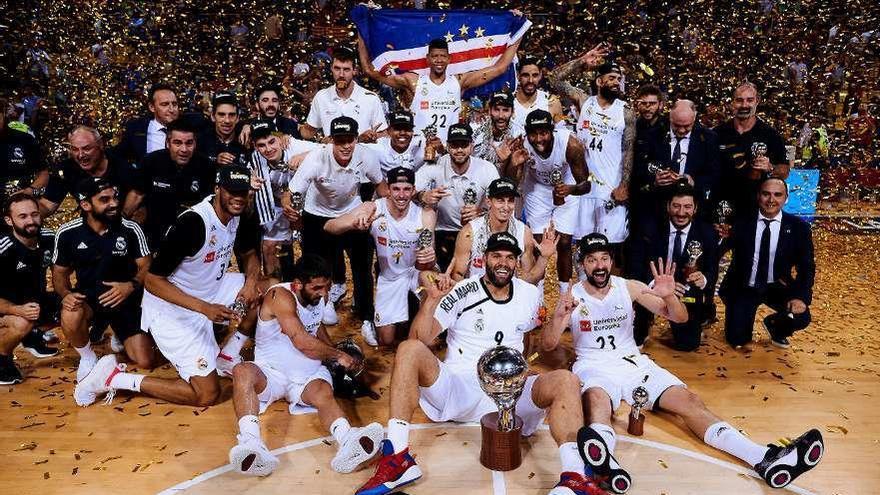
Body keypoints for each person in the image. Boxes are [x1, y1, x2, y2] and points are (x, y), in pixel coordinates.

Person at [544, 233, 824, 493]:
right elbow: (548, 344)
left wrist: (668, 296)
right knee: (597, 404)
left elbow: (678, 317)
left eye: (604, 258)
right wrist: (558, 317)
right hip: (593, 365)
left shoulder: (628, 287)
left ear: (611, 260)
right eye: (592, 260)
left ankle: (762, 457)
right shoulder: (573, 296)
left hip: (633, 363)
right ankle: (605, 465)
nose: (599, 265)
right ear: (582, 264)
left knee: (690, 402)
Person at [356, 233, 604, 495]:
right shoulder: (462, 290)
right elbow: (420, 339)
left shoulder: (530, 295)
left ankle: (574, 476)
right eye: (496, 255)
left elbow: (542, 345)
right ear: (484, 258)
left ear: (517, 262)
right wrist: (430, 301)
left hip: (510, 394)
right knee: (408, 349)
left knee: (567, 380)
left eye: (509, 257)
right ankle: (398, 458)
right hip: (461, 387)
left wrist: (558, 321)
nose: (503, 262)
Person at [72, 166, 264, 407]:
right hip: (173, 307)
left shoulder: (241, 213)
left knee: (270, 289)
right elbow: (152, 281)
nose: (238, 197)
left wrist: (250, 283)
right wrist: (204, 308)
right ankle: (115, 378)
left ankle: (227, 356)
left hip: (210, 290)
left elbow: (249, 254)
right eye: (231, 191)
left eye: (243, 192)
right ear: (217, 190)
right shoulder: (193, 224)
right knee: (207, 395)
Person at [228, 254, 384, 477]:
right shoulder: (280, 296)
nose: (323, 293)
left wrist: (337, 358)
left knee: (323, 391)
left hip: (307, 376)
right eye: (317, 288)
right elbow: (301, 340)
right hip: (271, 374)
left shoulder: (317, 297)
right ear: (298, 284)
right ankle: (252, 444)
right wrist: (338, 354)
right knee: (241, 371)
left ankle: (348, 440)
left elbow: (315, 325)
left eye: (327, 286)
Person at [52, 178, 156, 401]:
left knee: (145, 360)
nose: (114, 204)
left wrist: (130, 285)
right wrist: (65, 295)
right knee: (70, 311)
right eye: (105, 200)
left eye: (115, 197)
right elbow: (59, 275)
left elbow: (147, 265)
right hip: (89, 299)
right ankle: (87, 356)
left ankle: (119, 334)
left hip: (125, 300)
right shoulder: (67, 233)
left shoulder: (130, 228)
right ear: (86, 205)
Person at [283, 116, 388, 331]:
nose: (346, 145)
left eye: (350, 139)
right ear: (331, 140)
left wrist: (385, 210)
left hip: (352, 212)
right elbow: (290, 193)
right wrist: (289, 208)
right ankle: (321, 305)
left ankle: (366, 315)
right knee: (315, 266)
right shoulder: (316, 159)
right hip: (317, 214)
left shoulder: (366, 157)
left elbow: (382, 187)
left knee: (362, 265)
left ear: (356, 139)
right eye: (340, 140)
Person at [325, 167, 436, 347]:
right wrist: (354, 222)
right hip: (390, 277)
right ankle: (382, 321)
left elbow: (431, 262)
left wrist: (430, 256)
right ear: (388, 189)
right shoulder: (374, 208)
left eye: (407, 189)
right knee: (386, 340)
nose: (401, 195)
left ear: (413, 190)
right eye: (396, 189)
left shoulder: (426, 214)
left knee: (425, 341)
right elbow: (330, 226)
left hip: (416, 273)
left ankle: (419, 314)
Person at [357, 35, 522, 142]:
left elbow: (500, 68)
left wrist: (519, 30)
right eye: (435, 56)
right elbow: (370, 71)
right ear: (428, 59)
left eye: (443, 56)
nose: (439, 60)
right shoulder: (413, 81)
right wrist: (361, 30)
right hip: (416, 150)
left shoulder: (459, 82)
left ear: (449, 59)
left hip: (451, 151)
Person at [720, 178, 815, 349]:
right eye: (766, 194)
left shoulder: (799, 228)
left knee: (802, 316)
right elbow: (717, 252)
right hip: (744, 286)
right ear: (758, 196)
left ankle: (775, 327)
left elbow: (806, 266)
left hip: (777, 286)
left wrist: (801, 297)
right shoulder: (740, 222)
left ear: (786, 198)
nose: (771, 200)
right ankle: (738, 318)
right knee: (737, 339)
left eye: (777, 195)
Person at [508, 110, 590, 294]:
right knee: (539, 243)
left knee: (564, 242)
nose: (538, 139)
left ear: (552, 131)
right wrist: (514, 163)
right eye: (533, 134)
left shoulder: (571, 144)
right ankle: (537, 297)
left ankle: (565, 294)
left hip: (567, 185)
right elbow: (512, 182)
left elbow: (586, 185)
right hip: (537, 188)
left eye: (543, 133)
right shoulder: (522, 145)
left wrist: (570, 189)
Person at [628, 184, 718, 350]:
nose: (681, 212)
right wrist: (655, 285)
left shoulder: (707, 233)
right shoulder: (648, 228)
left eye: (687, 207)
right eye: (676, 206)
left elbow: (712, 271)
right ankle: (644, 321)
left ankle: (686, 323)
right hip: (652, 289)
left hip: (685, 294)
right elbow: (635, 266)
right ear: (668, 206)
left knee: (688, 345)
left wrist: (703, 279)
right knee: (634, 342)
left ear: (695, 208)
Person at [414, 123, 500, 271]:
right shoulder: (436, 165)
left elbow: (500, 203)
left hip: (476, 229)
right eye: (455, 145)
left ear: (472, 146)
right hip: (444, 230)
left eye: (464, 145)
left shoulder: (486, 169)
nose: (459, 150)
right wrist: (423, 195)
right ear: (447, 146)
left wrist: (481, 213)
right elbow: (408, 189)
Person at [123, 118, 217, 249]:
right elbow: (136, 195)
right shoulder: (151, 162)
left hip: (194, 236)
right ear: (167, 143)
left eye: (189, 143)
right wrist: (121, 224)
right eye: (177, 143)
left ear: (195, 143)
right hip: (156, 235)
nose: (184, 149)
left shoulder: (206, 166)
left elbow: (213, 204)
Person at [571, 62, 636, 248]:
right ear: (599, 81)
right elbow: (555, 79)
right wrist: (582, 62)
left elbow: (628, 150)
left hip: (611, 189)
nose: (617, 82)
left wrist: (624, 185)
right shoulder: (584, 101)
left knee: (611, 246)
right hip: (584, 188)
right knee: (583, 247)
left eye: (619, 79)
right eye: (612, 78)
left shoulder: (626, 111)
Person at [248, 120, 321, 280]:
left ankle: (314, 283)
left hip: (309, 202)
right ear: (255, 147)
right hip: (278, 205)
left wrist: (305, 156)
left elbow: (326, 149)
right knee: (268, 247)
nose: (268, 149)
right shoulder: (254, 162)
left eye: (272, 141)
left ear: (280, 139)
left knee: (312, 246)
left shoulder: (296, 146)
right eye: (262, 145)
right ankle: (274, 289)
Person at [451, 177, 556, 284]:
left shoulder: (523, 232)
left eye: (510, 201)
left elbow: (529, 281)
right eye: (500, 200)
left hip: (508, 296)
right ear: (488, 202)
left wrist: (543, 258)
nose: (506, 207)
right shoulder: (470, 232)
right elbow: (457, 274)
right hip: (477, 294)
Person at [631, 100, 720, 225]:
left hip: (693, 212)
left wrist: (693, 181)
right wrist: (654, 180)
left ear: (694, 118)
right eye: (677, 125)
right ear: (670, 117)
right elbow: (637, 170)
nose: (682, 130)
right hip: (656, 210)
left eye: (687, 126)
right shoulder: (652, 135)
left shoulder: (709, 138)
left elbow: (715, 174)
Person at [0, 194, 58, 384]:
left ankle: (31, 337)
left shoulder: (49, 238)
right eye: (23, 216)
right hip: (6, 308)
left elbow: (60, 272)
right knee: (22, 322)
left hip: (32, 301)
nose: (31, 221)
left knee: (72, 305)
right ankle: (2, 358)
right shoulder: (3, 248)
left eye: (34, 214)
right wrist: (16, 310)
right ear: (9, 220)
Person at [714, 82, 788, 219]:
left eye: (749, 100)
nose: (744, 105)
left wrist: (770, 167)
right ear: (732, 103)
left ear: (757, 101)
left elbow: (784, 171)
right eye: (739, 100)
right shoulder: (717, 134)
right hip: (721, 205)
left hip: (756, 206)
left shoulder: (770, 135)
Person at [39, 126, 132, 218]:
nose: (80, 155)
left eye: (86, 148)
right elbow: (47, 206)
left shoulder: (121, 165)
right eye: (75, 149)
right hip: (89, 226)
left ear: (100, 145)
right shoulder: (66, 169)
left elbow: (138, 200)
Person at [301, 47, 387, 142]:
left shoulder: (370, 99)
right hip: (331, 154)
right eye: (337, 69)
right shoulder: (321, 97)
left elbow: (383, 133)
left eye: (346, 70)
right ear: (331, 69)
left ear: (354, 71)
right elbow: (308, 131)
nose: (341, 74)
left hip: (362, 155)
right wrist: (290, 128)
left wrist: (371, 137)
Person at [0, 98, 47, 209]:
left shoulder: (24, 139)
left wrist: (30, 190)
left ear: (4, 114)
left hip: (21, 206)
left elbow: (43, 174)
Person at [116, 83, 180, 164]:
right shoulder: (136, 128)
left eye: (174, 104)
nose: (172, 109)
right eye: (165, 104)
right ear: (152, 107)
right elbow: (118, 155)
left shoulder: (192, 127)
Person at [471, 91, 523, 171]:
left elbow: (517, 177)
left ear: (512, 112)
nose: (501, 116)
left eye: (505, 110)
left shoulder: (518, 134)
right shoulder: (474, 130)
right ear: (489, 111)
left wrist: (505, 162)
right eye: (496, 110)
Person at [361, 110, 426, 174]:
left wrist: (436, 147)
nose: (402, 133)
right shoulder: (378, 146)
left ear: (412, 132)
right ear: (389, 131)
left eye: (407, 129)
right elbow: (353, 148)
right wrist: (360, 139)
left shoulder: (422, 146)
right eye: (397, 129)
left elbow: (435, 148)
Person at [197, 91, 248, 168]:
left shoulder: (245, 140)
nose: (227, 120)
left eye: (232, 115)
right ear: (213, 117)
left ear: (238, 118)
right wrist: (214, 162)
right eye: (221, 115)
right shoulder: (201, 142)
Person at [238, 84, 302, 144]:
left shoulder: (289, 123)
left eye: (274, 100)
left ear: (279, 105)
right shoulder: (248, 124)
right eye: (265, 100)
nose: (271, 104)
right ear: (257, 105)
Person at [512, 55, 551, 131]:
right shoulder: (507, 102)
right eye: (525, 75)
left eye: (535, 75)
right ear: (518, 75)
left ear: (540, 76)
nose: (530, 80)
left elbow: (561, 134)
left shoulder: (551, 102)